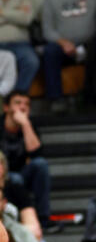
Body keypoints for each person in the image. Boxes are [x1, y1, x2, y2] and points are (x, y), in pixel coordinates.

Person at [0, 90, 53, 230]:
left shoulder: (30, 125)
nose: (23, 107)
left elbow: (36, 153)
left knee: (41, 165)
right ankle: (20, 220)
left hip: (23, 172)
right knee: (15, 178)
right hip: (3, 174)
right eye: (18, 103)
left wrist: (25, 125)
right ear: (6, 107)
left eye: (27, 104)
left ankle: (43, 218)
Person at [0, 0, 40, 92]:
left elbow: (27, 18)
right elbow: (21, 17)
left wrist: (2, 12)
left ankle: (17, 97)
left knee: (32, 61)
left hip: (20, 44)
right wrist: (15, 13)